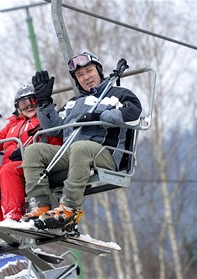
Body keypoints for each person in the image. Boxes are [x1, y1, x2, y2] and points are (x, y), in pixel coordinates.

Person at [21, 51, 142, 230]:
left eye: (89, 71)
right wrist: (44, 103)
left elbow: (133, 114)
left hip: (104, 153)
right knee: (34, 151)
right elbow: (53, 126)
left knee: (80, 148)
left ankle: (69, 208)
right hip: (73, 153)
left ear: (99, 71)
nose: (86, 77)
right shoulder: (73, 102)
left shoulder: (118, 94)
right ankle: (40, 205)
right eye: (80, 75)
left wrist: (99, 115)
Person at [0, 84, 62, 221]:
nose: (30, 106)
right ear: (17, 107)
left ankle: (13, 217)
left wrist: (27, 153)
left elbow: (56, 144)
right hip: (9, 168)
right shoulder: (13, 124)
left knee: (9, 170)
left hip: (35, 166)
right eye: (24, 103)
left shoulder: (46, 119)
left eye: (34, 101)